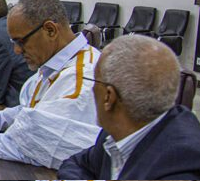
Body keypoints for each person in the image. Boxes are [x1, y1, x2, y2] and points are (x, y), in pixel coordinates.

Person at [0, 0, 101, 169]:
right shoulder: (58, 63)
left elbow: (35, 146)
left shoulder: (81, 78)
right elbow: (33, 110)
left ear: (50, 30)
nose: (17, 51)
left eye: (21, 41)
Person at [58, 35, 200, 179]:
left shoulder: (181, 167)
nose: (92, 89)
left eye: (94, 81)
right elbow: (75, 164)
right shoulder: (116, 133)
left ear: (109, 97)